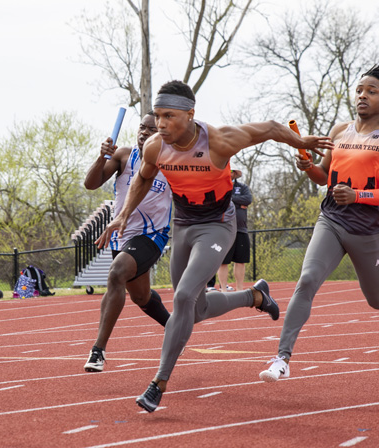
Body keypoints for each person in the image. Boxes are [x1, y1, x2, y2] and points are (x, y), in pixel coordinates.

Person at [96, 80, 333, 412]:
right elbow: (144, 177)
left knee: (181, 298)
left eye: (168, 117)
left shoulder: (219, 141)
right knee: (196, 310)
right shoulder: (154, 146)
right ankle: (255, 296)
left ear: (190, 115)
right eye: (157, 116)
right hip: (184, 226)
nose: (161, 124)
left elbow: (269, 128)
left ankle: (158, 384)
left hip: (218, 226)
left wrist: (299, 141)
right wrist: (122, 215)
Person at [259, 63, 379, 383]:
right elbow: (322, 177)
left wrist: (357, 195)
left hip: (366, 228)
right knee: (307, 280)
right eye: (359, 90)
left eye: (372, 92)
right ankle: (282, 359)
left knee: (378, 300)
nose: (362, 96)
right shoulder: (338, 132)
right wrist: (307, 165)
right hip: (331, 218)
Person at [83, 112, 172, 373]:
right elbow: (91, 184)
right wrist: (102, 157)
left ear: (163, 135)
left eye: (151, 130)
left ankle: (98, 350)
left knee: (117, 273)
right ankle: (174, 326)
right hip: (122, 235)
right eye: (141, 128)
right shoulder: (124, 155)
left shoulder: (172, 161)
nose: (144, 133)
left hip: (153, 235)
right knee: (141, 296)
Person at [206, 169, 252, 292]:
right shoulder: (217, 186)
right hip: (224, 229)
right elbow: (218, 201)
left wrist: (231, 199)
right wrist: (238, 203)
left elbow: (248, 199)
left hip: (241, 228)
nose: (230, 173)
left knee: (241, 260)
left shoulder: (242, 187)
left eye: (232, 171)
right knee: (223, 261)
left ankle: (240, 289)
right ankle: (223, 289)